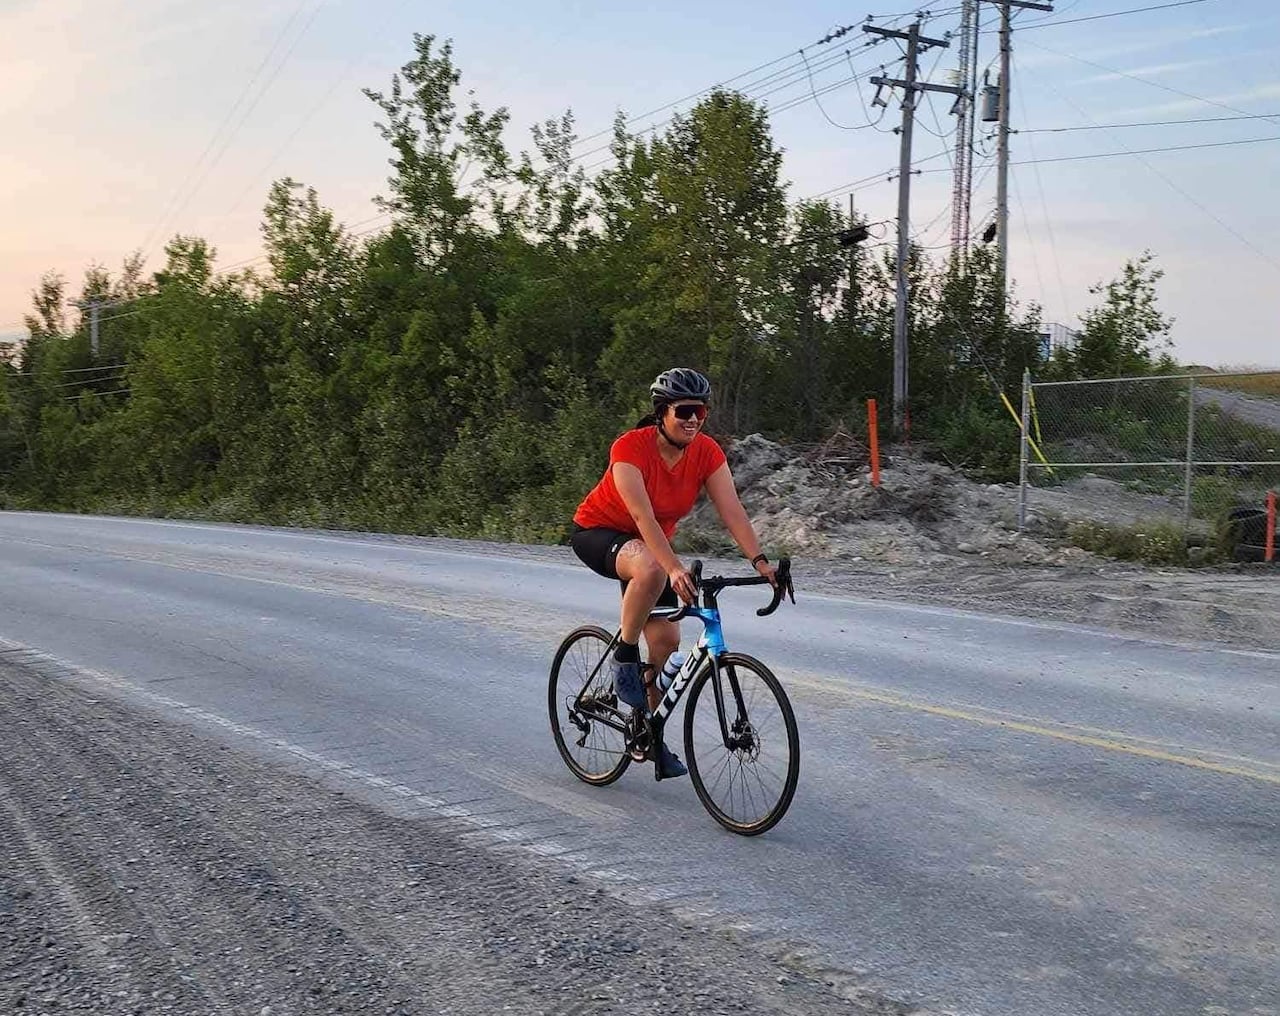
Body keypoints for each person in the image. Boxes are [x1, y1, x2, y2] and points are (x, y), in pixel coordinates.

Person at [570, 367, 778, 779]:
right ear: (662, 412)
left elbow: (732, 510)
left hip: (651, 545)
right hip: (601, 532)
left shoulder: (705, 452)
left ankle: (645, 731)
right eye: (684, 410)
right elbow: (641, 516)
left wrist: (761, 562)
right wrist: (673, 567)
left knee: (666, 639)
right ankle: (623, 657)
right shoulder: (629, 448)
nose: (693, 419)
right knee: (649, 567)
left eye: (700, 411)